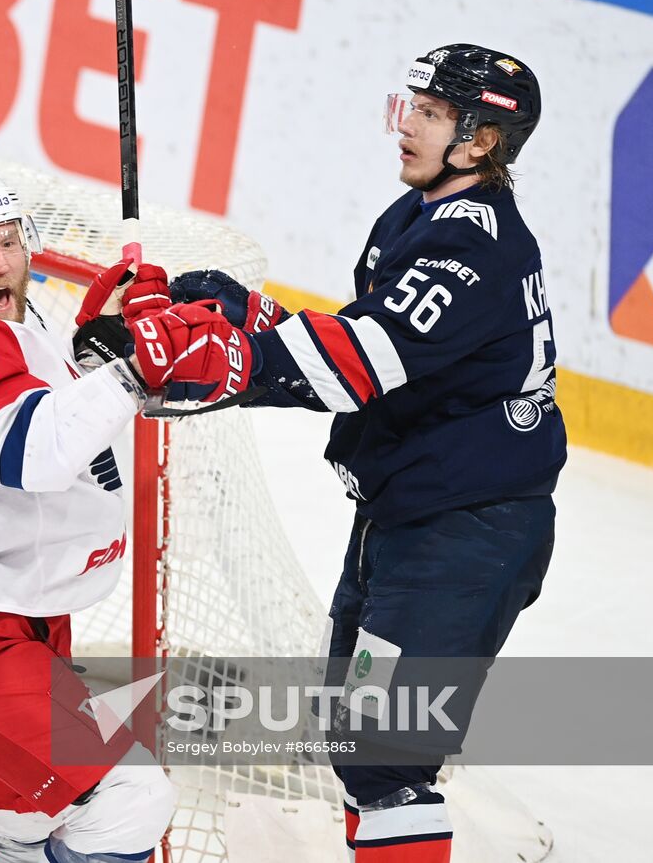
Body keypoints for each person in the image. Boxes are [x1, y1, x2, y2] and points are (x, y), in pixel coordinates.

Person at [163, 44, 565, 861]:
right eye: (408, 106)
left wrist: (227, 361)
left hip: (465, 537)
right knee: (359, 744)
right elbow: (369, 337)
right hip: (411, 517)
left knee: (385, 758)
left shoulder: (472, 245)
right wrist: (251, 316)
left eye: (430, 113)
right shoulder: (418, 217)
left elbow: (359, 366)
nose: (406, 126)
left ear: (480, 140)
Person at [0, 166, 250, 863]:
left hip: (10, 608)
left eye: (9, 241)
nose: (1, 262)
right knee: (131, 800)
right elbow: (35, 451)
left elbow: (33, 402)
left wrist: (95, 348)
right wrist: (135, 369)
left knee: (21, 819)